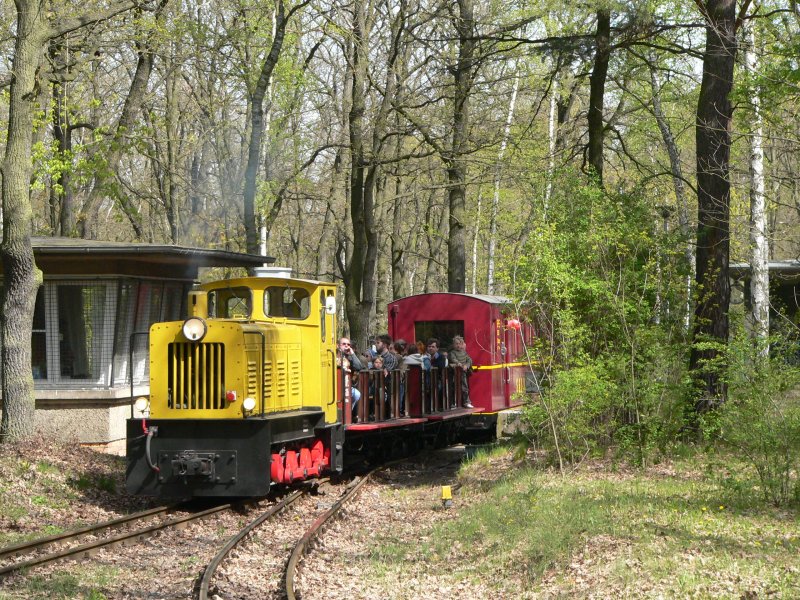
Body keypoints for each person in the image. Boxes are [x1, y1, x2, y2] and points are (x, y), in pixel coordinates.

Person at [337, 337, 364, 420]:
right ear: (338, 346)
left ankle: (347, 413)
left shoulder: (350, 358)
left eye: (348, 344)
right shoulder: (333, 356)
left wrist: (352, 354)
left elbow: (359, 367)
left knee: (356, 394)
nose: (346, 346)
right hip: (336, 386)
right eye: (344, 344)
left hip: (347, 386)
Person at [448, 335, 474, 408]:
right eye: (456, 343)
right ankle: (453, 403)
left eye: (459, 343)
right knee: (453, 388)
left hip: (463, 374)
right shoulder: (452, 353)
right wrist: (458, 364)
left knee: (465, 387)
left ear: (462, 344)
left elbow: (469, 360)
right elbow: (453, 359)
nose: (458, 345)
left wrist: (467, 365)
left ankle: (466, 402)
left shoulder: (464, 353)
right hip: (454, 374)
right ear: (453, 345)